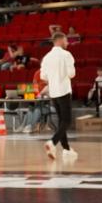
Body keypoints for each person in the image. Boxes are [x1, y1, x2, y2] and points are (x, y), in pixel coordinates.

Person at [41, 32, 77, 161]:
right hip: (64, 91)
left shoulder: (46, 57)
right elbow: (72, 74)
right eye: (66, 41)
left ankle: (66, 149)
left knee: (62, 121)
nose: (67, 43)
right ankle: (52, 142)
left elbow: (43, 76)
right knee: (66, 121)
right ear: (60, 40)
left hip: (53, 92)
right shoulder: (66, 55)